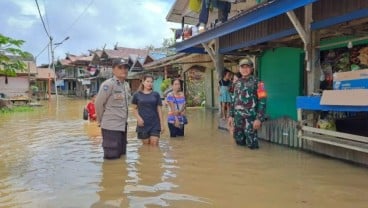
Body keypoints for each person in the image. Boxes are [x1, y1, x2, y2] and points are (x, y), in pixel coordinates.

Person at [95, 59, 131, 159]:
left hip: (123, 126)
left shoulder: (126, 85)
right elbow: (98, 103)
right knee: (111, 158)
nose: (123, 70)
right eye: (120, 67)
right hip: (111, 127)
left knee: (122, 156)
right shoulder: (108, 84)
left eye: (125, 67)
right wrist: (100, 120)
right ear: (113, 70)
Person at [228, 58, 266, 149]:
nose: (245, 69)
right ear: (239, 69)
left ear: (251, 68)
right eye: (242, 67)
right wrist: (230, 116)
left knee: (252, 145)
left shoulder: (259, 83)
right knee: (239, 143)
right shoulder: (236, 83)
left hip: (251, 119)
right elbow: (233, 100)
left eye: (247, 67)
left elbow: (263, 101)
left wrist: (259, 119)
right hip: (238, 119)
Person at [132, 75, 164, 146]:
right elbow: (134, 109)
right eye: (148, 81)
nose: (150, 83)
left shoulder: (156, 94)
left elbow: (159, 110)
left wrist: (162, 124)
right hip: (143, 124)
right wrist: (138, 118)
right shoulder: (137, 95)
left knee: (154, 145)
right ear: (143, 82)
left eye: (151, 82)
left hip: (155, 123)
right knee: (146, 147)